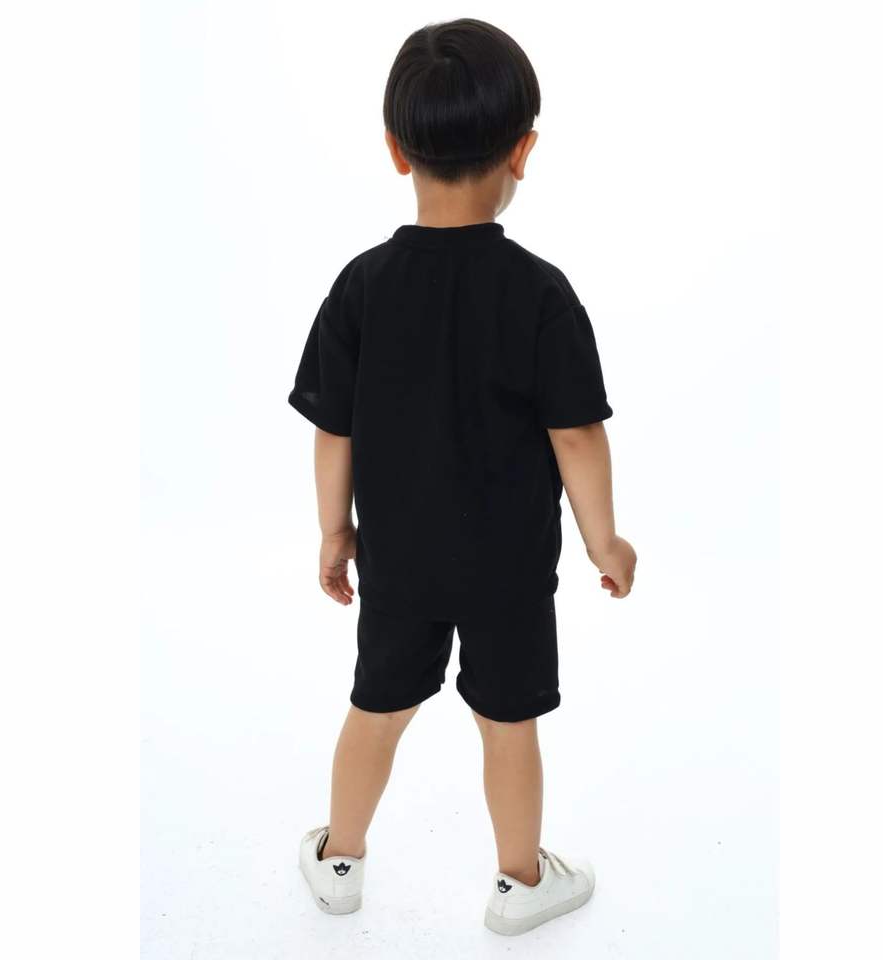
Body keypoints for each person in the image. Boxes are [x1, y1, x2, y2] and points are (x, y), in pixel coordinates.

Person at [288, 17, 637, 936]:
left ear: (395, 150)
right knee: (509, 723)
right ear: (523, 151)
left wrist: (334, 531)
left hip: (398, 561)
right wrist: (604, 540)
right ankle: (520, 884)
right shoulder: (540, 293)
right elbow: (577, 436)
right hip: (508, 568)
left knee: (377, 707)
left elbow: (332, 430)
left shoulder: (362, 286)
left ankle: (339, 861)